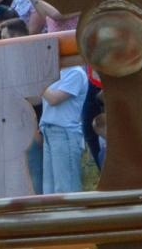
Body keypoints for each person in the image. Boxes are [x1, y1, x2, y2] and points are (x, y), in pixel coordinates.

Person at [40, 64, 89, 193]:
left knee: (65, 189)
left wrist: (38, 81)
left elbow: (54, 99)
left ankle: (73, 213)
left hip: (65, 133)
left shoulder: (76, 72)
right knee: (49, 191)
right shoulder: (52, 73)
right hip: (48, 132)